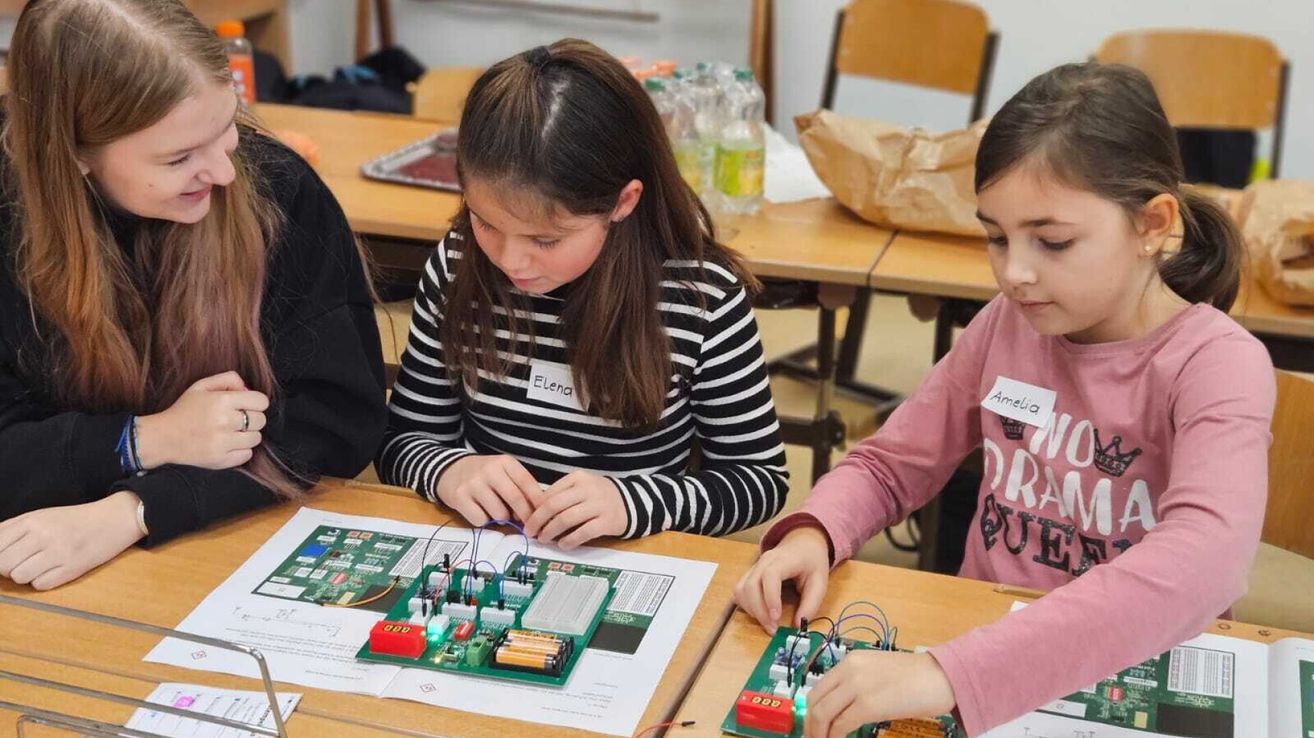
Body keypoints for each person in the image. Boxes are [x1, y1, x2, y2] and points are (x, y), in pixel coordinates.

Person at [733, 63, 1276, 737]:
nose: (1015, 272)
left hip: (1132, 665)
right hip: (975, 639)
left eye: (1052, 241)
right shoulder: (1007, 323)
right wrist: (817, 529)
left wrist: (952, 674)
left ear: (1153, 225)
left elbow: (1205, 562)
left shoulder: (1216, 362)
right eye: (996, 236)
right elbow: (891, 463)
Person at [0, 0, 387, 589]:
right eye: (179, 157)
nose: (225, 173)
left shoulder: (276, 190)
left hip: (215, 543)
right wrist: (146, 439)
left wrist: (134, 510)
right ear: (73, 155)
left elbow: (329, 424)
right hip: (47, 557)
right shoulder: (12, 220)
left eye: (226, 126)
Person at [376, 40, 788, 548]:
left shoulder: (700, 296)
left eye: (546, 240)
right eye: (484, 222)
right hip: (485, 553)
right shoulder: (460, 261)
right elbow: (402, 440)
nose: (511, 260)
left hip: (628, 559)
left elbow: (759, 480)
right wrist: (448, 470)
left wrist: (633, 502)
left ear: (623, 202)